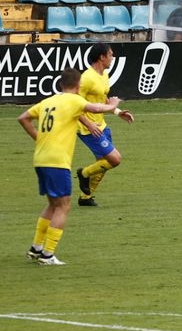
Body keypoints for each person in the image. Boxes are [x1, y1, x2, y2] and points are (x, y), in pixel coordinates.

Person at [18, 68, 122, 265]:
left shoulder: (48, 101)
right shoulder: (74, 100)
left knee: (53, 204)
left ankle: (36, 248)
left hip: (41, 158)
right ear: (78, 85)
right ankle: (48, 255)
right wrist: (114, 105)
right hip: (57, 162)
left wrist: (38, 138)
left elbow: (23, 118)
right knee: (63, 206)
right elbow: (96, 109)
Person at [75, 43, 135, 207]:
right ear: (102, 57)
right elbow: (74, 104)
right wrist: (89, 125)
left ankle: (85, 198)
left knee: (103, 164)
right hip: (88, 129)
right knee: (115, 159)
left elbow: (103, 100)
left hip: (100, 125)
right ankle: (84, 174)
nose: (112, 58)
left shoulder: (104, 75)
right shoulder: (86, 78)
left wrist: (117, 112)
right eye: (110, 54)